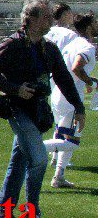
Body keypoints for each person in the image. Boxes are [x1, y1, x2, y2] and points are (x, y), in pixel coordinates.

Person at [0, 0, 86, 218]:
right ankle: (32, 216)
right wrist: (15, 88)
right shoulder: (12, 44)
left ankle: (4, 213)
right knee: (39, 159)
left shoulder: (49, 48)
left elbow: (63, 78)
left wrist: (79, 107)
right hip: (17, 109)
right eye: (45, 16)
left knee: (18, 161)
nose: (51, 19)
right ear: (30, 20)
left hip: (38, 112)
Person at [43, 12, 97, 187]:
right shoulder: (87, 47)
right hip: (71, 99)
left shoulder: (73, 43)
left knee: (62, 136)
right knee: (71, 142)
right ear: (89, 27)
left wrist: (89, 81)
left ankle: (58, 176)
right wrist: (89, 81)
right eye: (95, 22)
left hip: (60, 93)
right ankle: (32, 147)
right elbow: (76, 67)